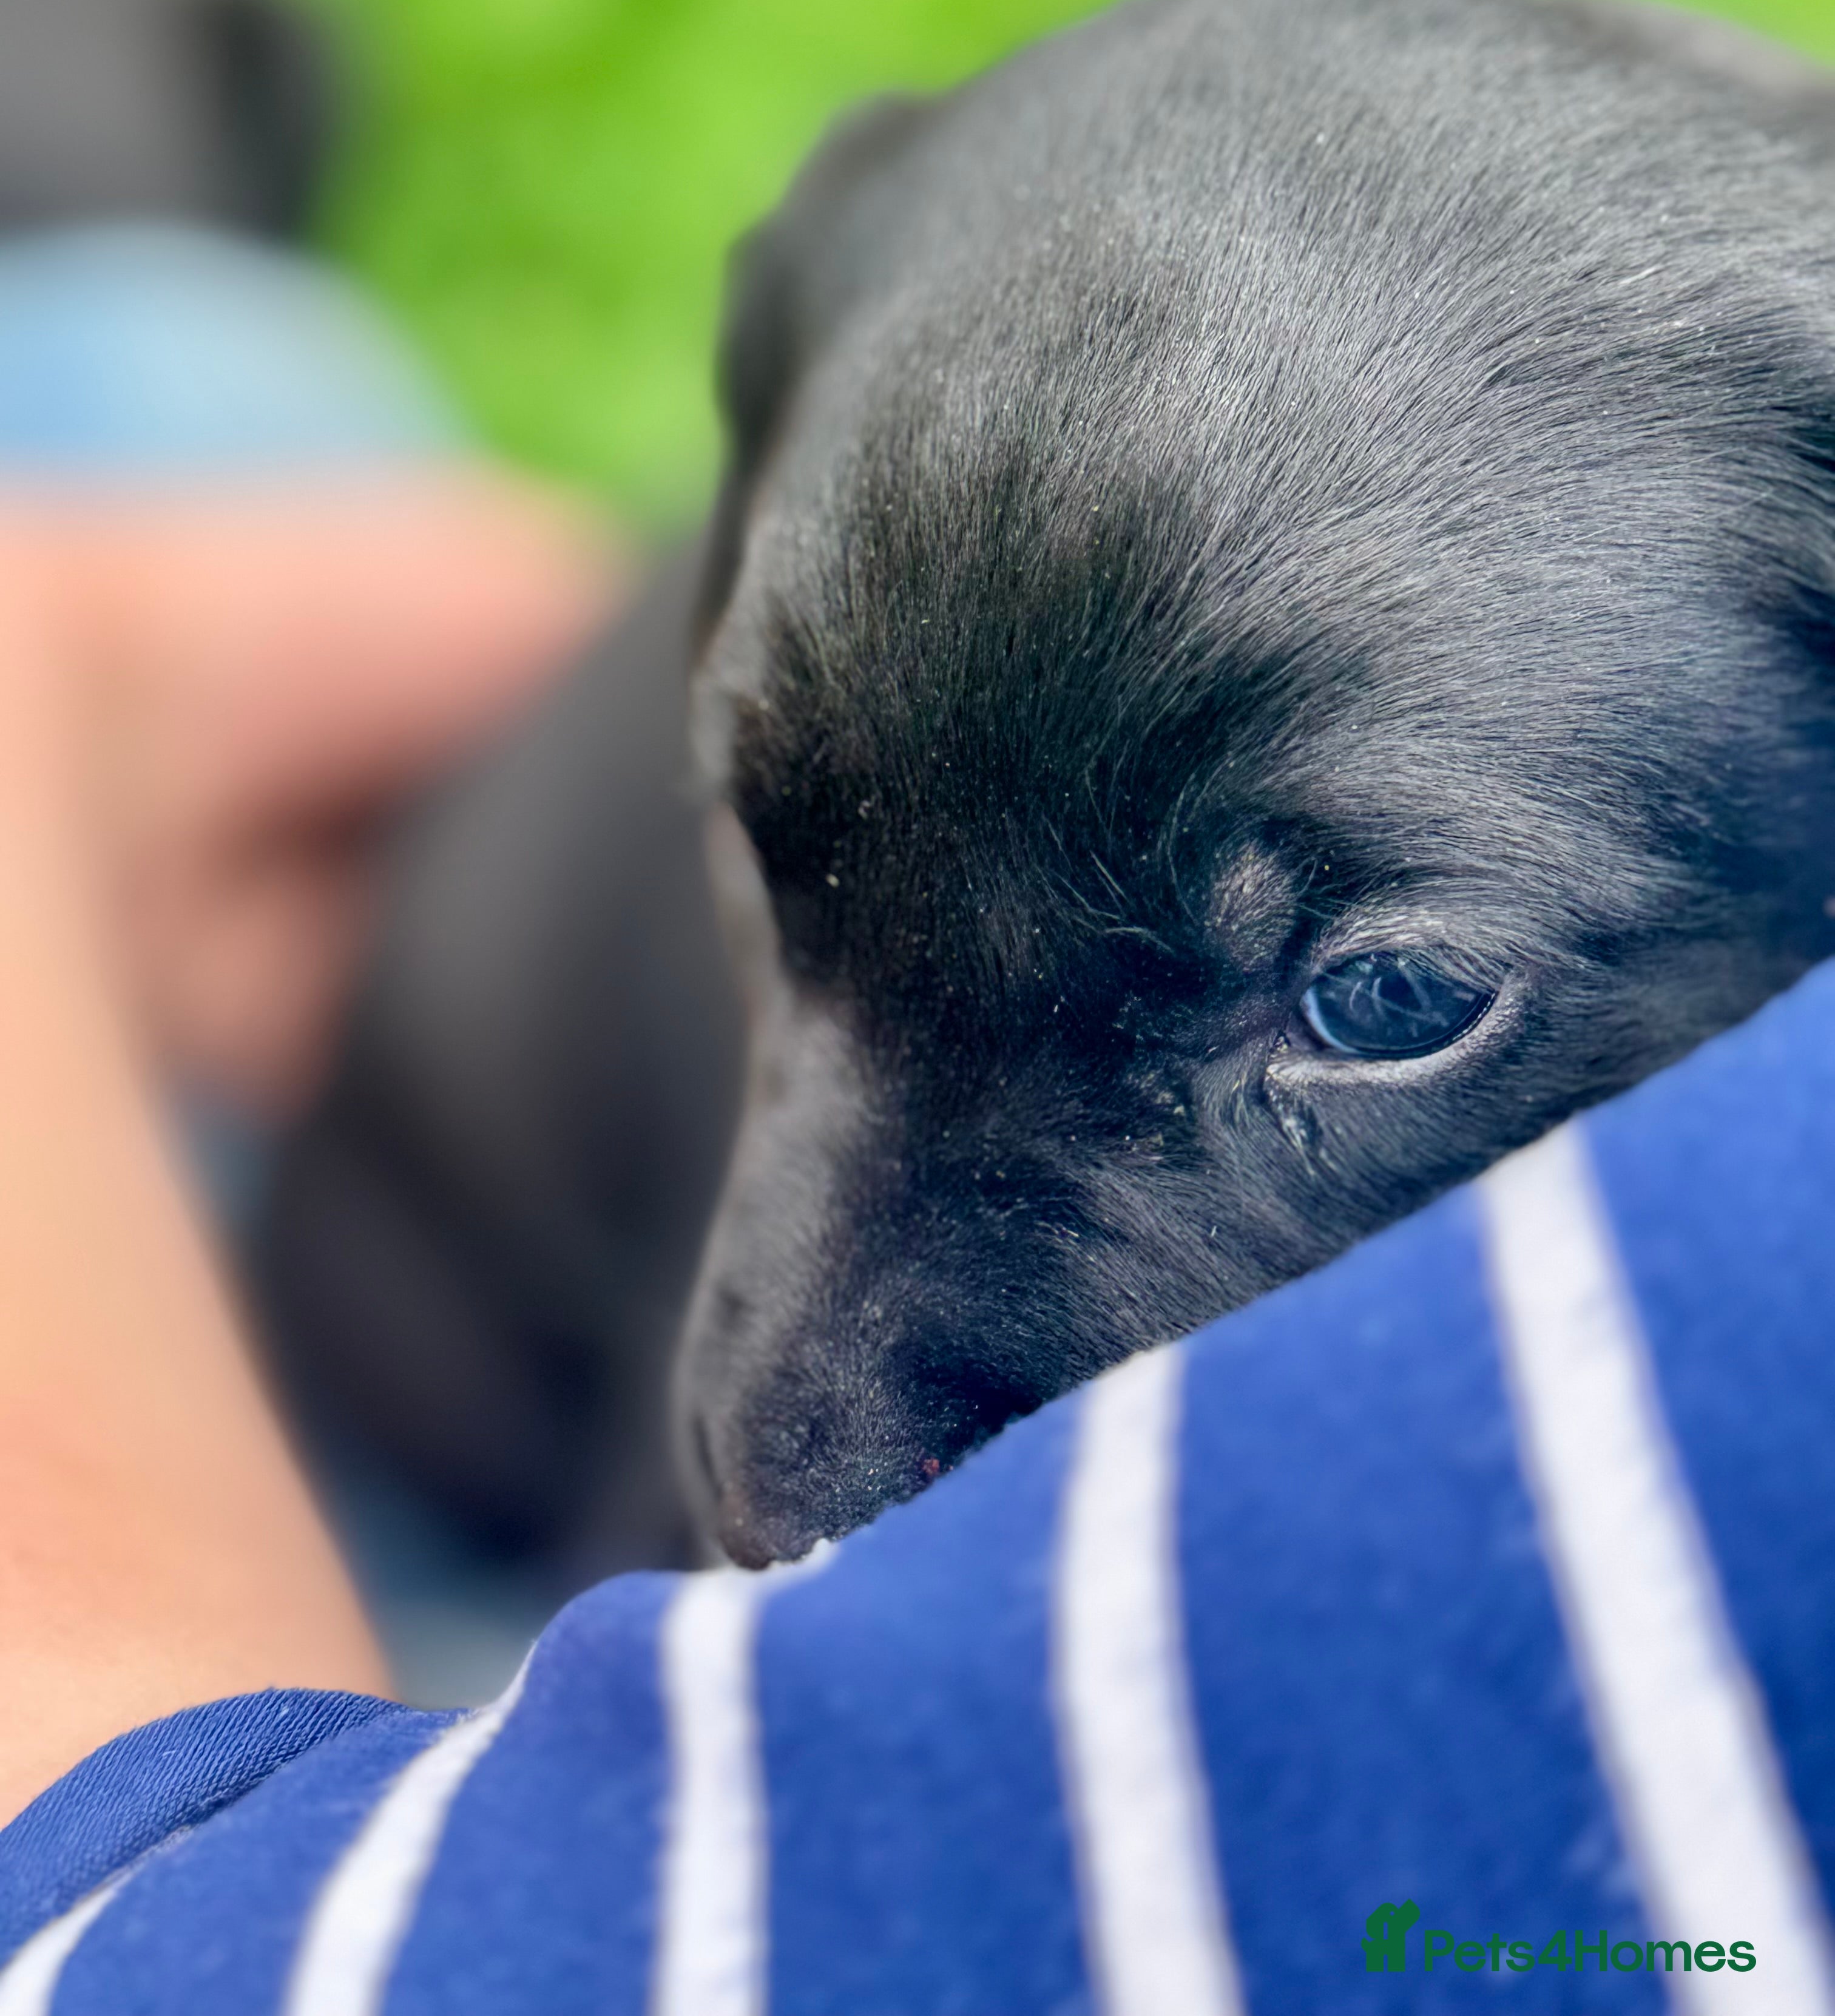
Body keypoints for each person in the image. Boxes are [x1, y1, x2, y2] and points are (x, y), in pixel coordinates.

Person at [2, 467, 1835, 2008]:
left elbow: (141, 1933)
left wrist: (59, 684)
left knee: (149, 402)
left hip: (351, 1717)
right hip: (452, 1163)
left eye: (1386, 995)